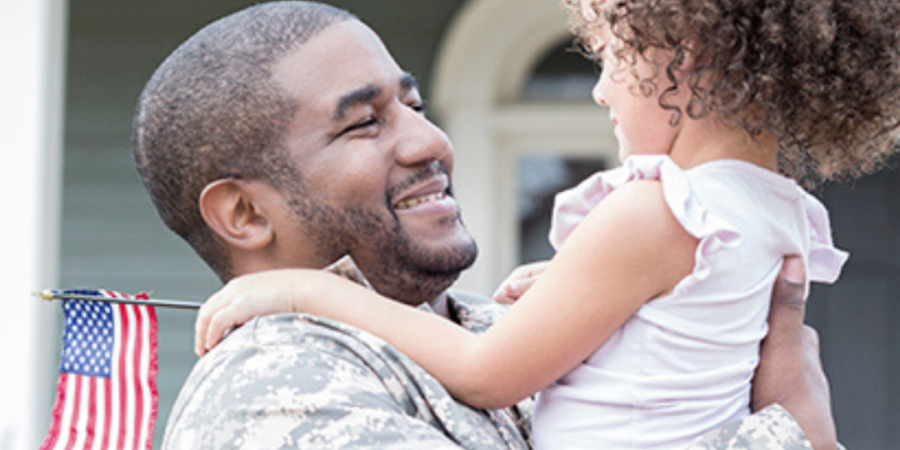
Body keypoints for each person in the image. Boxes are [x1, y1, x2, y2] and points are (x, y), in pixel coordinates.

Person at [194, 0, 900, 449]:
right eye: (362, 123)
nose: (598, 89)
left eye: (613, 59)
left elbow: (483, 374)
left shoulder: (659, 209)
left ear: (684, 60)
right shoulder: (774, 209)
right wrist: (794, 433)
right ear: (243, 213)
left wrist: (307, 291)